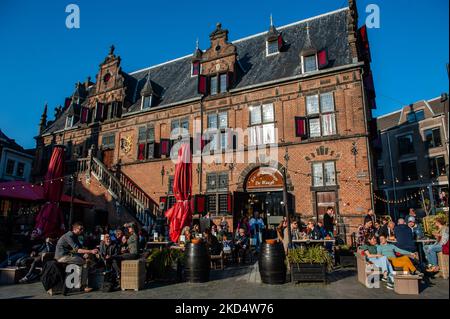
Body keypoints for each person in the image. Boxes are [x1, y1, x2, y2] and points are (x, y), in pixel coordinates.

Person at [54, 222, 99, 292]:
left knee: (85, 260)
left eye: (83, 229)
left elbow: (80, 248)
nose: (82, 230)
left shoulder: (75, 236)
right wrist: (90, 251)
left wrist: (85, 254)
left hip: (68, 255)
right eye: (80, 229)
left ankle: (82, 283)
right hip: (62, 257)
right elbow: (77, 250)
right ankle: (83, 286)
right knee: (84, 263)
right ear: (75, 229)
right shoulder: (69, 236)